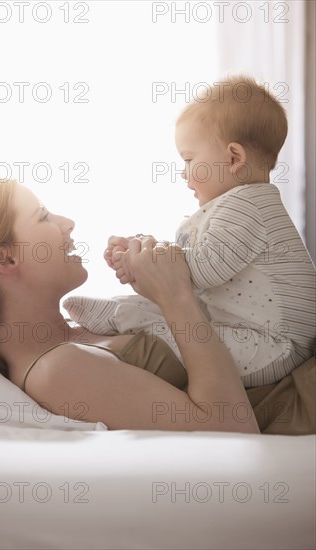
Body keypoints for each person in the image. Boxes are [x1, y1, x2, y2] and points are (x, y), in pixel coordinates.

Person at [0, 178, 260, 433]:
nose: (67, 223)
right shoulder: (55, 371)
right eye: (43, 217)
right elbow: (231, 430)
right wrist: (174, 295)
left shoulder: (76, 332)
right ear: (5, 258)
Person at [64, 75, 316, 389]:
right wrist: (143, 250)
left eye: (189, 159)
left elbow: (201, 271)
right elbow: (195, 261)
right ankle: (119, 310)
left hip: (271, 346)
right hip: (249, 331)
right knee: (174, 311)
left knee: (177, 337)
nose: (183, 172)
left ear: (233, 158)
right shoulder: (237, 205)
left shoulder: (247, 207)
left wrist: (143, 262)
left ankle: (121, 319)